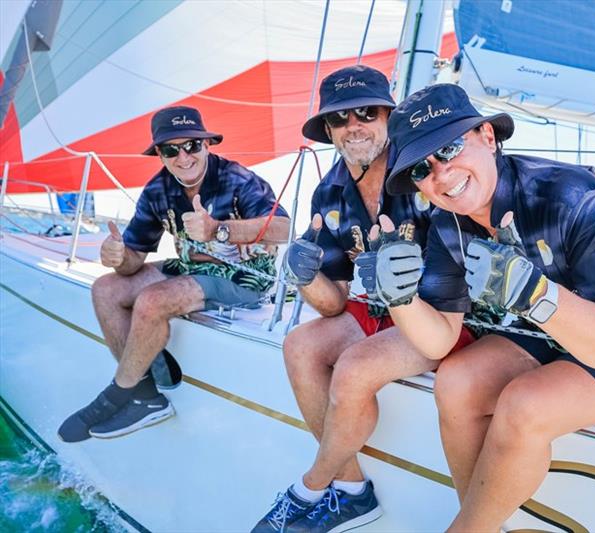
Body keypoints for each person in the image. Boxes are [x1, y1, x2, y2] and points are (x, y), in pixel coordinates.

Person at [370, 83, 595, 531]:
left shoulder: (573, 196)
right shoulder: (447, 222)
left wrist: (535, 295)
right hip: (553, 334)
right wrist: (401, 299)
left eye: (449, 148)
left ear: (488, 137)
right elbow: (440, 337)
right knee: (456, 380)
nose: (440, 174)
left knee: (525, 404)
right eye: (420, 170)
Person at [251, 66, 474, 533]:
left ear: (388, 116)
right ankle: (352, 490)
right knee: (299, 345)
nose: (354, 125)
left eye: (366, 112)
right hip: (375, 311)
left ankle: (310, 487)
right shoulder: (327, 191)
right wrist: (304, 276)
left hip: (441, 315)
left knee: (354, 368)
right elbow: (332, 303)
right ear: (328, 131)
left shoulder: (424, 170)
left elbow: (458, 275)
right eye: (339, 118)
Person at [58, 105, 290, 442]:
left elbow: (282, 229)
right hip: (191, 269)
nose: (183, 157)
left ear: (206, 145)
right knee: (105, 289)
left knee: (153, 301)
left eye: (192, 146)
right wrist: (118, 256)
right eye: (171, 150)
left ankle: (115, 396)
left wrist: (218, 230)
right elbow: (133, 259)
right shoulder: (157, 190)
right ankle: (144, 395)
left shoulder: (237, 179)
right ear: (160, 155)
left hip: (245, 277)